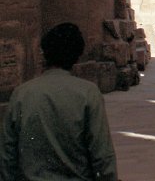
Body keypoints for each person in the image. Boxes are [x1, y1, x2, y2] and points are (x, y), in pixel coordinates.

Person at [0, 22, 118, 181]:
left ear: (44, 54)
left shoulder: (21, 94)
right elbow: (102, 155)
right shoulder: (88, 93)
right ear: (77, 55)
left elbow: (7, 154)